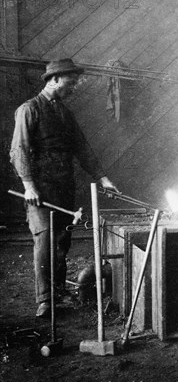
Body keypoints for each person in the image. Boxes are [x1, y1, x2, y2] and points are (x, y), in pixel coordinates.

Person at [10, 58, 119, 318]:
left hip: (63, 187)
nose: (74, 88)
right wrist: (28, 186)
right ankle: (45, 300)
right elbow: (19, 150)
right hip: (40, 191)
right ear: (55, 80)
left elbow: (82, 148)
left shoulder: (64, 112)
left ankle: (58, 291)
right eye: (70, 83)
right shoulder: (29, 109)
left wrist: (102, 177)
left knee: (61, 241)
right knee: (45, 241)